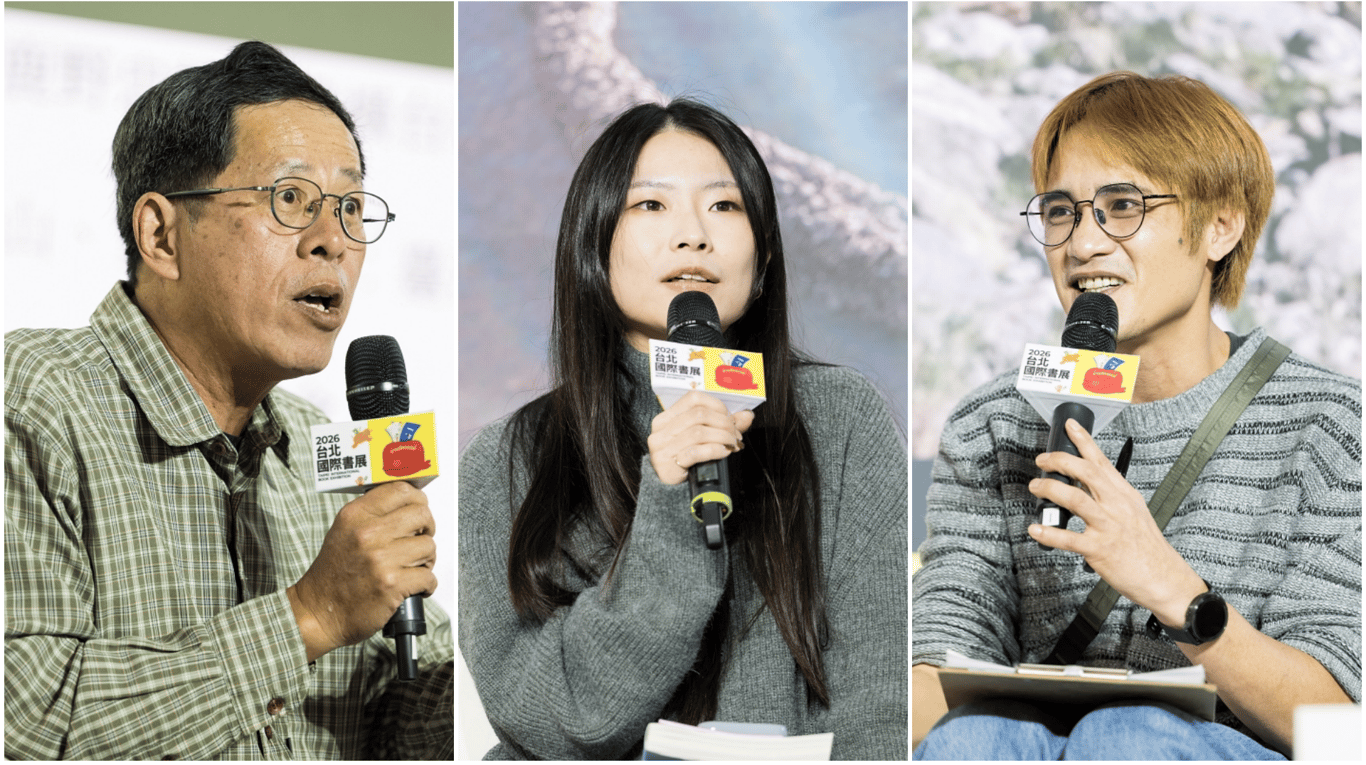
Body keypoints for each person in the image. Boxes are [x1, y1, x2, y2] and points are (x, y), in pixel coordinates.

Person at [4, 41, 453, 760]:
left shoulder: (314, 445)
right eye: (291, 199)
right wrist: (310, 616)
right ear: (161, 235)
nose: (333, 242)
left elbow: (393, 727)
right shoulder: (32, 399)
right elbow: (25, 725)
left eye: (350, 207)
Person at [912, 71, 1360, 759]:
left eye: (1121, 206)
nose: (1082, 244)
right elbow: (940, 654)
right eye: (1060, 211)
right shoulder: (994, 423)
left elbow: (1333, 724)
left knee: (1127, 733)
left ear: (1220, 226)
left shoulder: (1331, 424)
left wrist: (1170, 587)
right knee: (973, 735)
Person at [458, 99, 908, 760]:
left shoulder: (840, 418)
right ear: (593, 242)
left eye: (724, 206)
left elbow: (878, 710)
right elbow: (553, 724)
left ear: (764, 256)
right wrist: (670, 507)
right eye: (652, 205)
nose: (693, 235)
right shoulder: (508, 459)